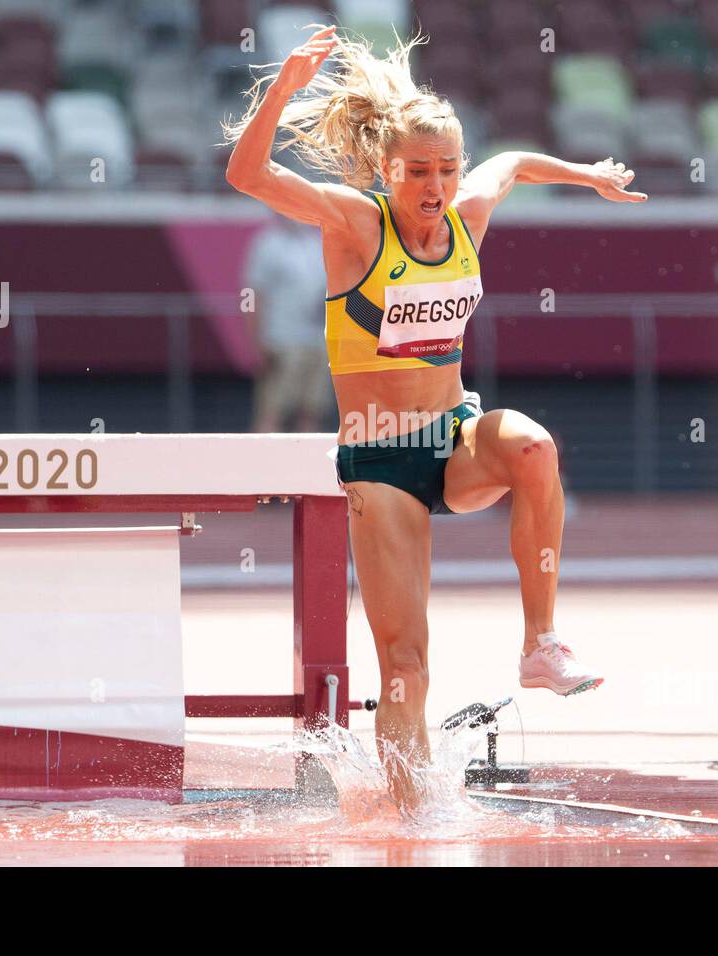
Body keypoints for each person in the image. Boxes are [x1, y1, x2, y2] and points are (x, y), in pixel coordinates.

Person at [222, 24, 648, 812]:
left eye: (447, 169)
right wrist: (283, 88)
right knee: (407, 668)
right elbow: (246, 173)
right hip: (381, 461)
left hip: (453, 438)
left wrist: (588, 175)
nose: (436, 185)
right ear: (388, 170)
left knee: (533, 447)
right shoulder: (355, 225)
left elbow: (513, 162)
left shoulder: (466, 217)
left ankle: (539, 644)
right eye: (419, 171)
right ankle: (412, 821)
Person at [244, 213, 333, 431]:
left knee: (312, 409)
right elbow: (249, 294)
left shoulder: (319, 243)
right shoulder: (267, 243)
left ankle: (304, 463)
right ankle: (262, 462)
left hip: (318, 340)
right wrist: (255, 340)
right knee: (273, 409)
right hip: (281, 340)